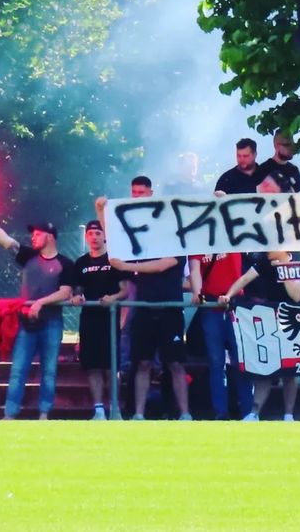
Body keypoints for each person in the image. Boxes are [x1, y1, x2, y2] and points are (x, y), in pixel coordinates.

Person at [0, 211, 73, 420]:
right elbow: (4, 239)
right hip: (26, 323)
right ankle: (10, 415)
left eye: (37, 234)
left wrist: (40, 303)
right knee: (18, 370)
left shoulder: (66, 263)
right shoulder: (28, 256)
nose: (33, 238)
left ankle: (44, 414)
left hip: (52, 323)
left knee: (49, 371)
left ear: (50, 237)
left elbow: (66, 292)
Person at [108, 174, 192, 420]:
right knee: (142, 363)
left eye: (141, 193)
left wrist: (128, 267)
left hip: (169, 308)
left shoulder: (177, 239)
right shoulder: (137, 236)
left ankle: (185, 413)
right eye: (134, 193)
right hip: (143, 307)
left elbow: (165, 264)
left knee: (175, 364)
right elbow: (112, 237)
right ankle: (139, 414)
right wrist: (101, 210)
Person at [219, 250, 300, 421]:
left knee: (290, 371)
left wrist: (284, 270)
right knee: (264, 369)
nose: (267, 249)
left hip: (292, 324)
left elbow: (296, 296)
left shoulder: (299, 265)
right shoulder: (264, 262)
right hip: (269, 323)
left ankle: (288, 415)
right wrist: (228, 295)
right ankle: (254, 413)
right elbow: (244, 279)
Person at [69, 220, 130, 420]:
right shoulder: (81, 263)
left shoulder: (114, 260)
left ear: (104, 236)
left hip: (110, 321)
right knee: (93, 366)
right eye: (90, 233)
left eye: (97, 233)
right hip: (89, 320)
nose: (94, 237)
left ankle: (115, 409)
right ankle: (98, 411)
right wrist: (77, 297)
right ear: (86, 237)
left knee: (111, 366)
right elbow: (77, 289)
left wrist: (113, 298)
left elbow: (126, 290)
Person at [188, 252, 254, 420]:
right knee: (216, 361)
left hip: (235, 304)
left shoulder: (231, 237)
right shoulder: (198, 243)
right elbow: (195, 268)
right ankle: (221, 412)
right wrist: (198, 293)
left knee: (241, 360)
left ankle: (248, 411)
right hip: (211, 306)